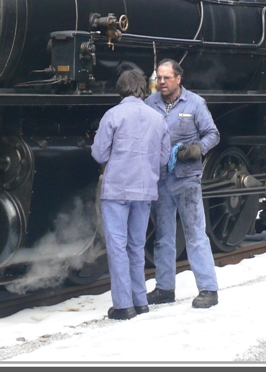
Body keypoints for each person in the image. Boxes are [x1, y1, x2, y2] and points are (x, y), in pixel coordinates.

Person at [91, 69, 171, 320]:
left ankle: (123, 305)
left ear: (121, 89)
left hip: (117, 189)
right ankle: (140, 300)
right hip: (145, 190)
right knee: (137, 246)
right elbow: (163, 158)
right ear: (143, 90)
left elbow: (99, 154)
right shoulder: (158, 118)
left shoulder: (113, 115)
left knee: (117, 247)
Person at [145, 59, 220, 309]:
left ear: (179, 78)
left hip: (186, 178)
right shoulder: (150, 104)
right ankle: (165, 288)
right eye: (159, 78)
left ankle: (209, 289)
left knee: (195, 233)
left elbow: (213, 134)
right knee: (163, 235)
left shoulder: (195, 103)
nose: (161, 82)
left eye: (166, 78)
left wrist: (197, 149)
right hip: (161, 179)